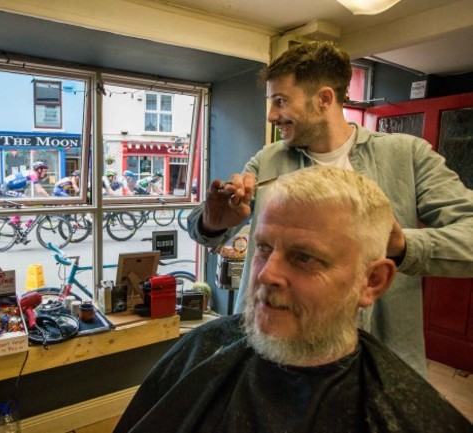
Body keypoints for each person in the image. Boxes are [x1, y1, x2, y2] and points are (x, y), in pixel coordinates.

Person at [187, 41, 473, 376]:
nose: (271, 115)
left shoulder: (408, 156)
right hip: (277, 354)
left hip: (375, 362)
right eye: (271, 101)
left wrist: (401, 246)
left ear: (324, 99)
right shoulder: (268, 160)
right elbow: (200, 229)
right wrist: (212, 221)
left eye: (280, 101)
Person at [116, 167, 471, 433]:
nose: (267, 274)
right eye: (264, 248)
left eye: (304, 257)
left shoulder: (415, 417)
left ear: (372, 281)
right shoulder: (199, 351)